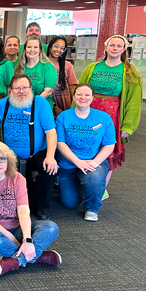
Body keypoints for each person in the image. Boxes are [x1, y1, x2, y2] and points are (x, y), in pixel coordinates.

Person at [0, 141, 61, 276]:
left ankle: (16, 260)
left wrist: (27, 239)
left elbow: (24, 211)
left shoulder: (18, 178)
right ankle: (38, 256)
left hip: (17, 227)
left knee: (51, 227)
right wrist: (9, 236)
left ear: (8, 159)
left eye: (2, 159)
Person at [79, 35, 143, 200]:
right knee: (85, 146)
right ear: (106, 47)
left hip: (112, 117)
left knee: (107, 151)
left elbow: (134, 102)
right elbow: (80, 92)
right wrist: (74, 115)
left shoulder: (130, 73)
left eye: (119, 46)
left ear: (124, 49)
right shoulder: (92, 67)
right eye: (111, 45)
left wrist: (128, 126)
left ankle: (101, 189)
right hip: (89, 113)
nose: (115, 48)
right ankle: (84, 183)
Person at [0, 74, 58, 220]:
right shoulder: (2, 104)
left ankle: (40, 206)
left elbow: (51, 132)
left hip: (37, 153)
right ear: (10, 90)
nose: (21, 91)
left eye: (25, 87)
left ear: (31, 89)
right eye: (17, 88)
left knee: (49, 170)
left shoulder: (40, 103)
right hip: (10, 155)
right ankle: (14, 204)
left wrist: (50, 157)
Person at [56, 84, 116, 222]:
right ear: (73, 97)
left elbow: (109, 144)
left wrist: (94, 162)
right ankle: (83, 187)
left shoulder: (103, 118)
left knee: (94, 178)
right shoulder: (63, 117)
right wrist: (78, 162)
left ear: (92, 98)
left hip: (92, 161)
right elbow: (60, 143)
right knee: (69, 203)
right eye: (79, 94)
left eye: (87, 95)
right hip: (68, 163)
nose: (83, 97)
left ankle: (92, 208)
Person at [14, 35, 57, 108]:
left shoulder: (48, 67)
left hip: (41, 107)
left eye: (35, 47)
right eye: (29, 47)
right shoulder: (19, 67)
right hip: (22, 107)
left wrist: (32, 105)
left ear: (40, 50)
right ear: (24, 49)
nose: (32, 50)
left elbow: (48, 91)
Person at [47, 36, 78, 116]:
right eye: (56, 46)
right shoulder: (43, 64)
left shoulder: (67, 65)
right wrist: (54, 106)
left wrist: (75, 105)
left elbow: (72, 86)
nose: (58, 50)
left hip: (65, 102)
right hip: (49, 102)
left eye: (62, 48)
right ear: (50, 47)